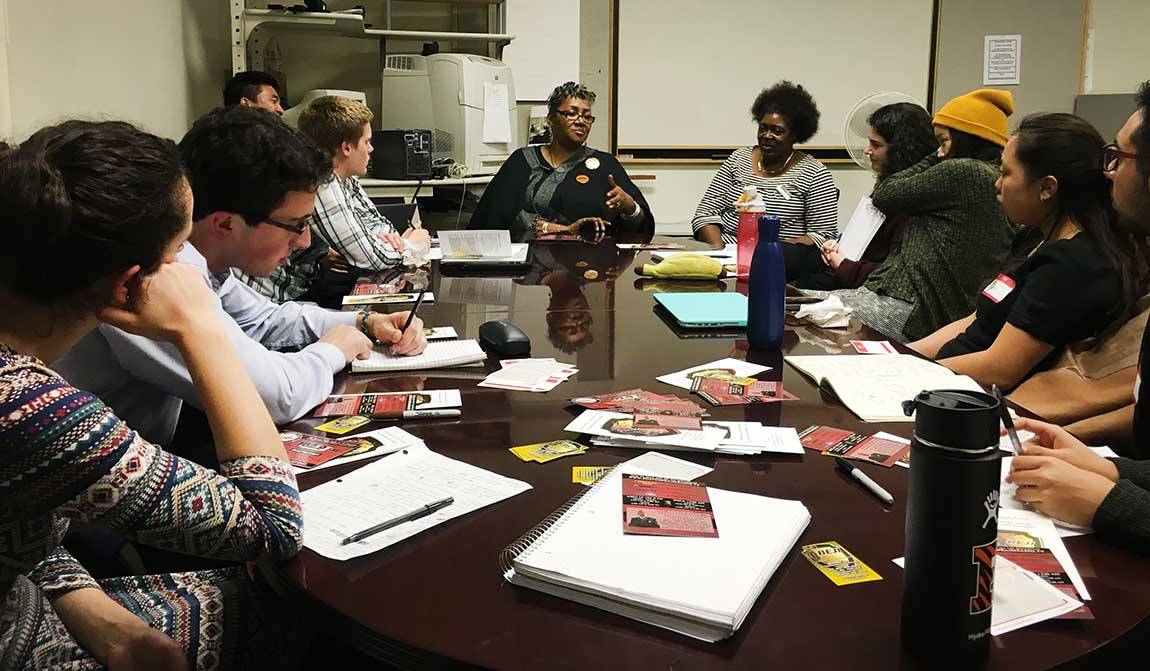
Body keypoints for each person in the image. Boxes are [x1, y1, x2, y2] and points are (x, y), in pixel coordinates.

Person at [0, 120, 305, 668]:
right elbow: (272, 527)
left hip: (34, 597)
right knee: (296, 619)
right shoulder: (31, 412)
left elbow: (18, 518)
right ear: (129, 283)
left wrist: (85, 603)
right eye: (180, 253)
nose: (188, 272)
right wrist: (201, 329)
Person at [54, 106, 428, 449]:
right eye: (295, 226)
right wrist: (335, 348)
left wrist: (363, 321)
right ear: (226, 224)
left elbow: (265, 319)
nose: (305, 241)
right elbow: (275, 397)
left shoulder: (198, 261)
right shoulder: (151, 276)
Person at [1005, 81, 1150, 555]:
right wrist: (1105, 469)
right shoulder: (1034, 241)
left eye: (1119, 157)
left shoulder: (1074, 261)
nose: (1108, 173)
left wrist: (1108, 500)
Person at [910, 113, 1143, 389]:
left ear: (1047, 188)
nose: (998, 185)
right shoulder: (1036, 236)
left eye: (1006, 173)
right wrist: (903, 354)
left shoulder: (1071, 265)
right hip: (942, 377)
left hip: (971, 396)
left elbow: (1001, 369)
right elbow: (976, 320)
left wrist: (908, 373)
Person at [805, 89, 1017, 342]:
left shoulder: (964, 171)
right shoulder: (983, 176)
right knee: (791, 302)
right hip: (899, 299)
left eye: (944, 141)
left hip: (908, 307)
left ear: (966, 140)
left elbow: (884, 194)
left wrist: (928, 154)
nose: (940, 151)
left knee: (790, 309)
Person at [239, 95, 430, 302]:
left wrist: (395, 241)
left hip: (300, 289)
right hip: (277, 298)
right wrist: (410, 246)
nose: (371, 149)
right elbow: (370, 257)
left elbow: (379, 227)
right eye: (366, 142)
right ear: (346, 147)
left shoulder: (346, 179)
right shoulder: (323, 182)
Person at [469, 81, 654, 242]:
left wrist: (631, 208)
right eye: (571, 114)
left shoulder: (605, 165)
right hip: (525, 270)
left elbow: (640, 229)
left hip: (586, 270)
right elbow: (491, 219)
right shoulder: (522, 161)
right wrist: (559, 229)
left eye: (587, 116)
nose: (581, 121)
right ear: (550, 119)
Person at [789, 102, 938, 289]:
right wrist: (838, 247)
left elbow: (895, 274)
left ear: (902, 150)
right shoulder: (889, 184)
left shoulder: (911, 201)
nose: (868, 150)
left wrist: (844, 265)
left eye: (875, 145)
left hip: (863, 284)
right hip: (848, 271)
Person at [691, 81, 838, 247]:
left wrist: (769, 253)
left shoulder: (815, 173)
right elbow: (704, 215)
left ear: (796, 135)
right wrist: (720, 251)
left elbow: (822, 235)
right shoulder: (738, 159)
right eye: (763, 128)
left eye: (777, 131)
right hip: (726, 254)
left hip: (780, 262)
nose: (767, 135)